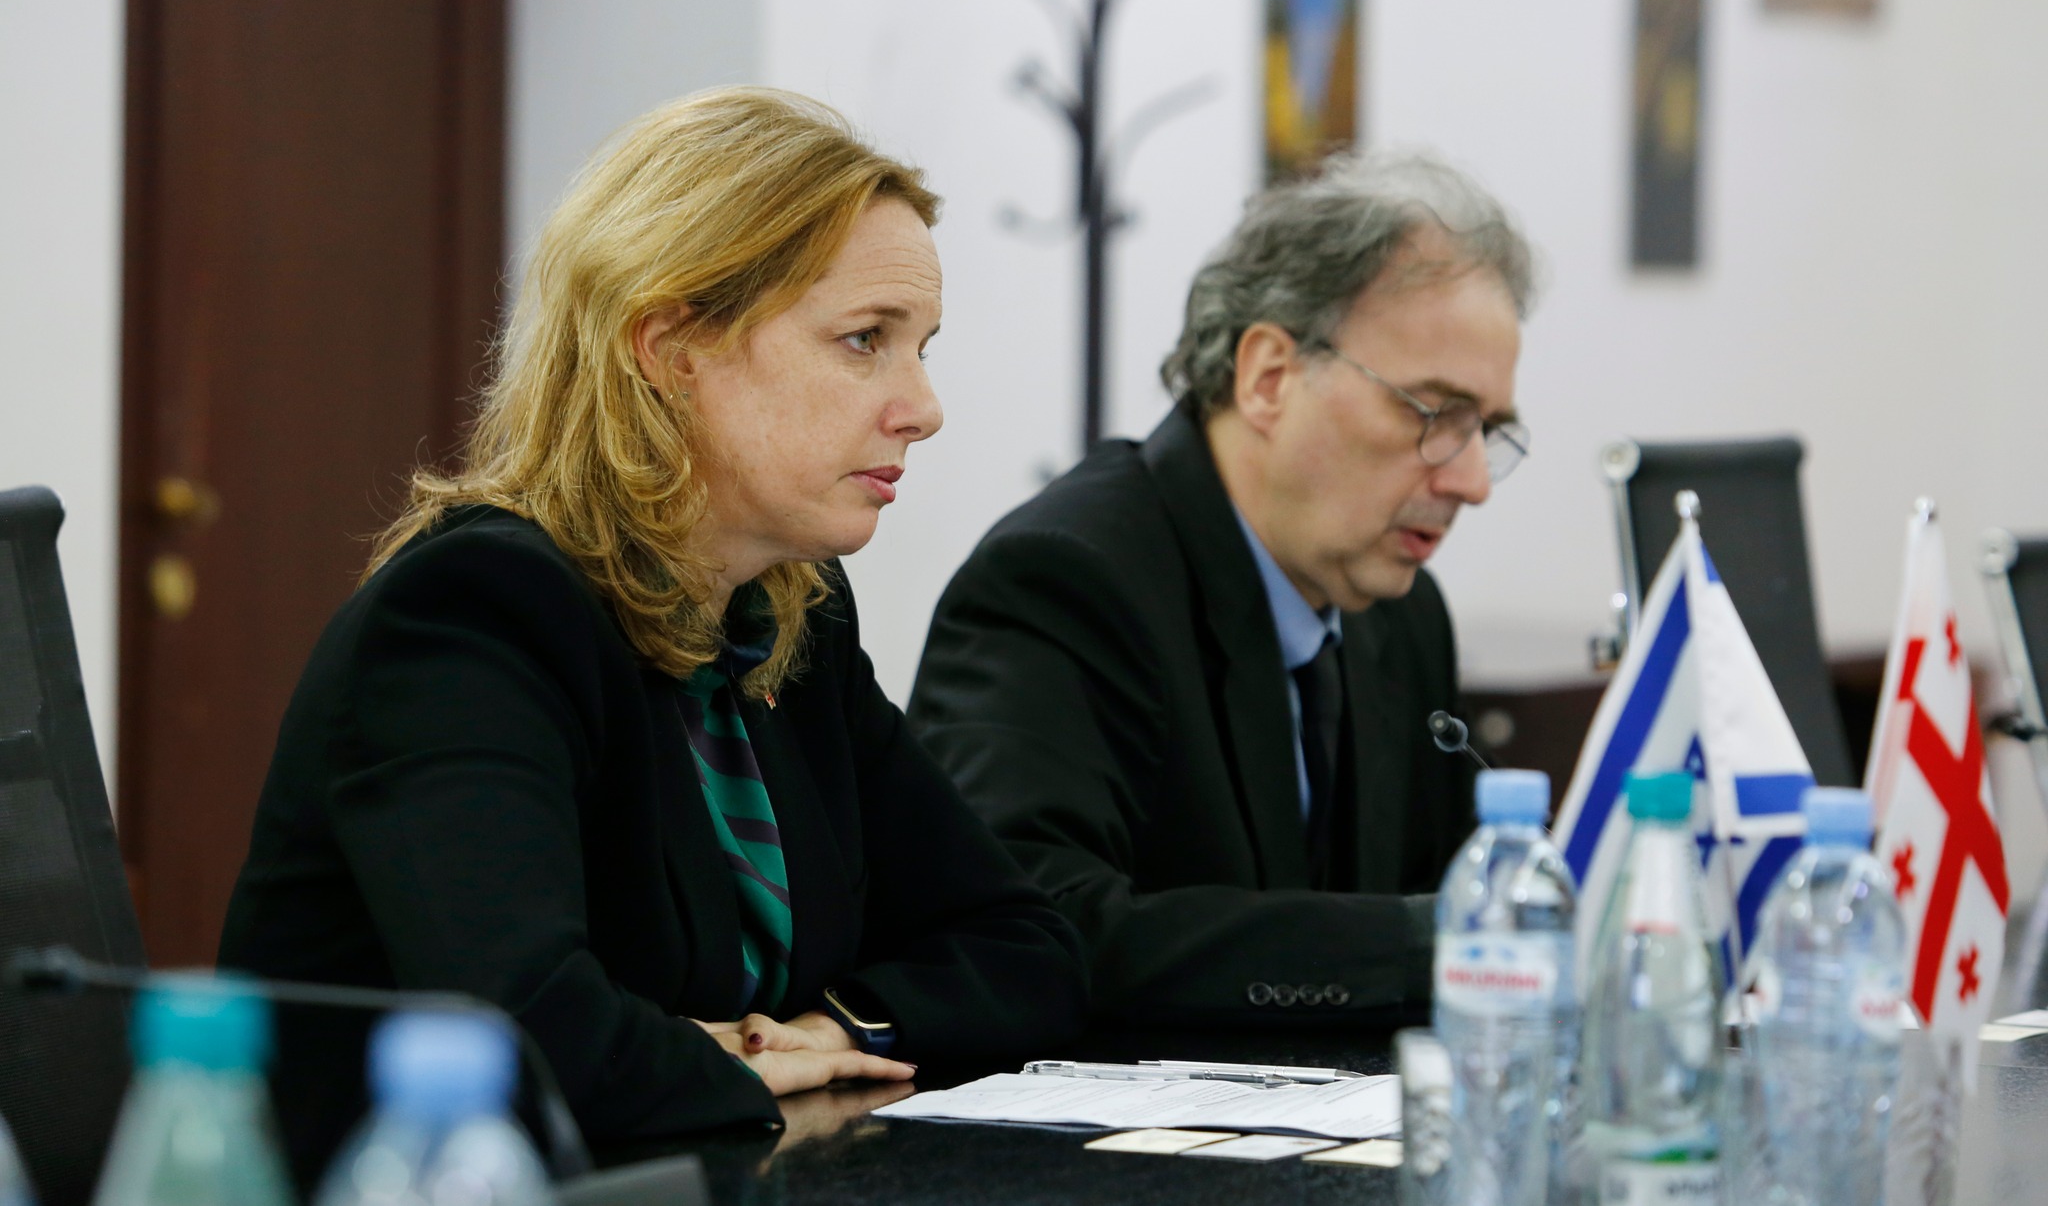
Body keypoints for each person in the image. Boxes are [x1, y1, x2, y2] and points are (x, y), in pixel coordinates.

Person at [219, 88, 1087, 1160]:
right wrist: (719, 1065)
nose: (923, 406)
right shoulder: (470, 613)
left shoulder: (788, 611)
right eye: (865, 339)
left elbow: (1026, 947)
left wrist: (830, 1029)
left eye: (922, 347)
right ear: (672, 350)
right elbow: (527, 1034)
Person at [907, 149, 1534, 1025]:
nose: (1472, 480)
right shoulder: (1066, 581)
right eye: (1433, 413)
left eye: (1489, 430)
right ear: (1269, 378)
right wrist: (1418, 943)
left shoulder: (1401, 612)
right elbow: (1030, 933)